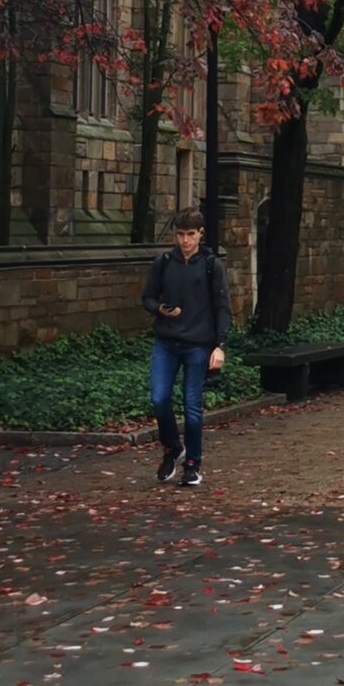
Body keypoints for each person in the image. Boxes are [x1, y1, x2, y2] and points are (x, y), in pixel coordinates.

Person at [140, 206, 231, 487]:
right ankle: (172, 449)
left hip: (197, 345)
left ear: (200, 234)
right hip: (166, 342)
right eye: (180, 234)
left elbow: (222, 307)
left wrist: (220, 345)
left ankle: (193, 462)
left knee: (192, 406)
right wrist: (161, 310)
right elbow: (148, 298)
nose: (185, 241)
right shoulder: (164, 262)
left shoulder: (211, 265)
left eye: (190, 234)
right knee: (158, 398)